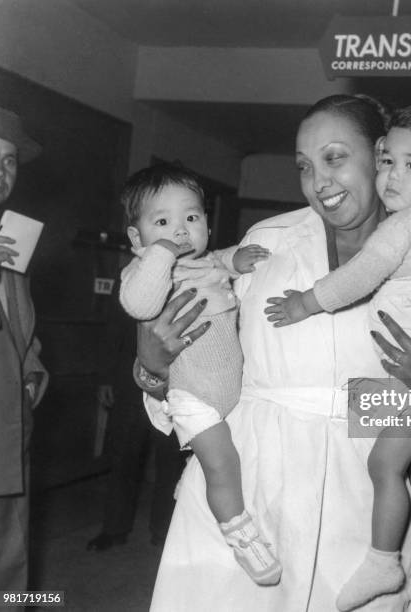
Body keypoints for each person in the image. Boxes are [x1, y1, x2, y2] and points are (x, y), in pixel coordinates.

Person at [135, 95, 411, 611]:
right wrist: (153, 370)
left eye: (335, 158)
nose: (319, 182)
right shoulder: (267, 243)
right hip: (248, 493)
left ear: (381, 153)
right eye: (305, 167)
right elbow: (199, 359)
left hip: (367, 509)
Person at [266, 98, 411, 608]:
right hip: (281, 492)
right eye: (391, 162)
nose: (392, 176)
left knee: (386, 465)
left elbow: (361, 277)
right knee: (405, 462)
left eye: (337, 157)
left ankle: (384, 561)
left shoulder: (404, 228)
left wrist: (305, 302)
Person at [118, 163, 280, 585]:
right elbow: (139, 305)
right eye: (162, 222)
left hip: (230, 387)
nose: (180, 231)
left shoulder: (203, 260)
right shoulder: (146, 271)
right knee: (224, 464)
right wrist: (160, 254)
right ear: (137, 238)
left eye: (191, 218)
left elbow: (216, 262)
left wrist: (235, 259)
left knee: (224, 463)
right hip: (193, 392)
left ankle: (199, 488)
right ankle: (239, 533)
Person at [87, 279, 185, 551]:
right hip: (129, 383)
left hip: (173, 384)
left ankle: (163, 531)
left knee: (170, 461)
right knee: (123, 459)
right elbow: (112, 329)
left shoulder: (191, 274)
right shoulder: (132, 276)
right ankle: (114, 529)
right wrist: (105, 377)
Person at [0, 106, 48, 591]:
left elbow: (20, 329)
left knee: (10, 563)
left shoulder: (11, 241)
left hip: (9, 427)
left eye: (8, 161)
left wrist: (31, 374)